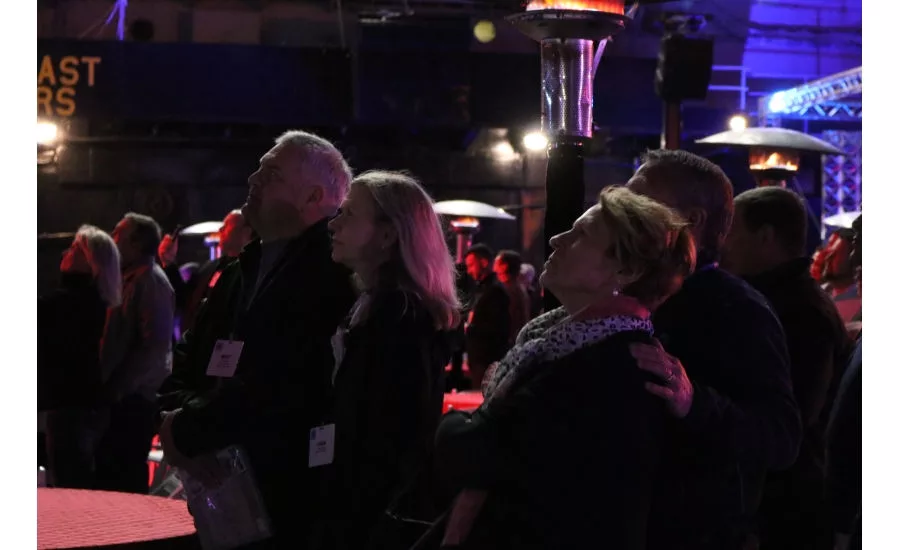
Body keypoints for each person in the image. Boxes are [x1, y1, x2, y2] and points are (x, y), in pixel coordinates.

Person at [434, 187, 697, 550]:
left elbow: (468, 451)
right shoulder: (569, 346)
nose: (557, 239)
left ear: (626, 270)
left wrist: (457, 425)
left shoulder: (607, 366)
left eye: (581, 235)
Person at [158, 130, 357, 548]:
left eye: (271, 174)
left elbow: (284, 383)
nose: (252, 180)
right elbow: (188, 356)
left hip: (288, 495)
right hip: (215, 480)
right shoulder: (239, 270)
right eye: (258, 170)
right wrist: (178, 421)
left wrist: (188, 431)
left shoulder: (334, 275)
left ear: (314, 197)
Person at [625, 149, 802, 550]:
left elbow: (781, 437)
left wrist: (693, 401)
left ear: (691, 220)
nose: (622, 206)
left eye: (640, 197)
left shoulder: (738, 309)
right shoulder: (630, 290)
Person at [313, 171, 460, 549]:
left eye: (349, 214)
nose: (334, 224)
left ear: (387, 235)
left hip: (369, 516)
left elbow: (392, 435)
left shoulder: (400, 318)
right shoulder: (374, 305)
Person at [722, 186, 854, 550]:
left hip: (786, 511)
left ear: (765, 237)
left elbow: (795, 419)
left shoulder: (800, 311)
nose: (722, 244)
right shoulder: (774, 299)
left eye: (732, 231)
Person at [95, 213, 175, 494]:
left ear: (137, 243)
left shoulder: (151, 282)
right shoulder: (128, 279)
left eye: (118, 234)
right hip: (122, 396)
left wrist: (120, 387)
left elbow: (154, 347)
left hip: (135, 398)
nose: (111, 238)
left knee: (125, 473)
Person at [40, 226, 122, 489]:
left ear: (92, 262)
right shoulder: (93, 301)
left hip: (70, 406)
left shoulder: (71, 303)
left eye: (76, 248)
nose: (66, 251)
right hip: (80, 404)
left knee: (69, 486)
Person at [159, 209, 255, 335]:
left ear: (246, 232)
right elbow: (185, 298)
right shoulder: (212, 266)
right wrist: (169, 262)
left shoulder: (252, 271)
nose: (221, 230)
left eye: (227, 226)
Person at [463, 244, 512, 389]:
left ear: (484, 262)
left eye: (471, 265)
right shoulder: (481, 288)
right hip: (479, 357)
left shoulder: (496, 290)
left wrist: (470, 328)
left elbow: (498, 328)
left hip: (487, 358)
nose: (469, 271)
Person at [493, 250, 532, 339]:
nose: (494, 266)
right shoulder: (517, 287)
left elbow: (510, 320)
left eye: (496, 262)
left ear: (504, 266)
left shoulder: (509, 290)